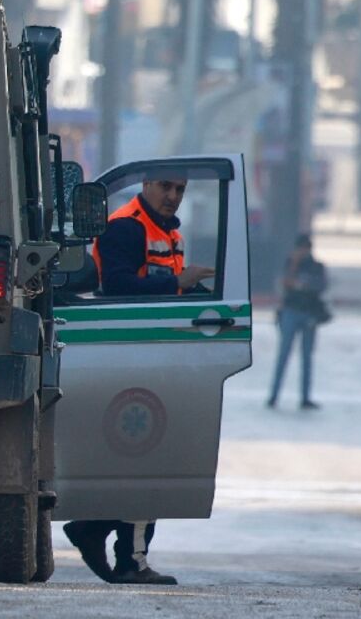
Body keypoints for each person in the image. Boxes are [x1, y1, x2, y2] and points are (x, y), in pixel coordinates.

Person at [63, 175, 215, 586]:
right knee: (147, 457)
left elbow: (162, 293)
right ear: (145, 184)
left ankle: (94, 528)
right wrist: (177, 283)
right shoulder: (125, 227)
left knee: (151, 455)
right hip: (131, 353)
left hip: (155, 355)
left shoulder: (170, 232)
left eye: (181, 189)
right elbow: (117, 286)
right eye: (166, 186)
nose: (173, 196)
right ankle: (130, 560)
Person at [267, 234, 328, 410]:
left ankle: (305, 397)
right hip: (290, 311)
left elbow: (318, 286)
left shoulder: (316, 266)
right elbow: (285, 283)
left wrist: (300, 284)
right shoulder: (289, 263)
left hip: (308, 313)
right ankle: (274, 395)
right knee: (283, 354)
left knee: (307, 356)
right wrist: (294, 268)